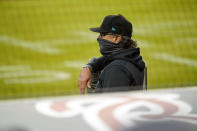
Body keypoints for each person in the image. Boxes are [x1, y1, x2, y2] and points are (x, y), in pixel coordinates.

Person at [78, 14, 145, 94]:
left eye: (102, 34)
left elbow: (111, 104)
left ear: (116, 38)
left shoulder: (116, 69)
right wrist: (89, 67)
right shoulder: (132, 58)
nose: (98, 38)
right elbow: (107, 59)